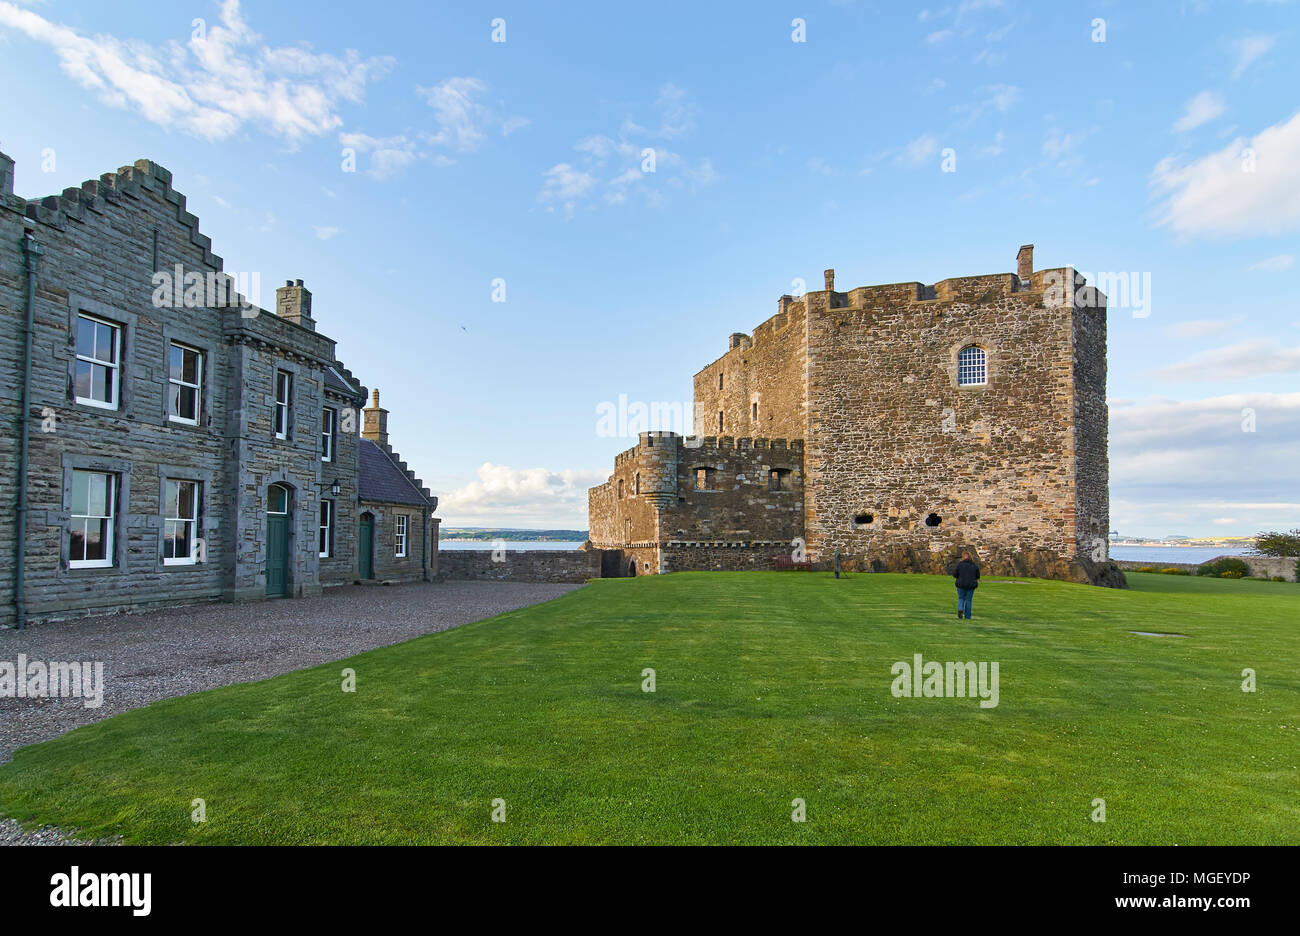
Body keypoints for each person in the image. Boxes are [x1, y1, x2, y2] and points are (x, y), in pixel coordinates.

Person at [952, 550, 980, 620]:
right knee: (969, 600)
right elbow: (977, 576)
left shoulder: (960, 565)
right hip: (971, 585)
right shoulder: (974, 566)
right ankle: (967, 616)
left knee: (961, 598)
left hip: (961, 584)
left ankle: (960, 608)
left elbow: (955, 574)